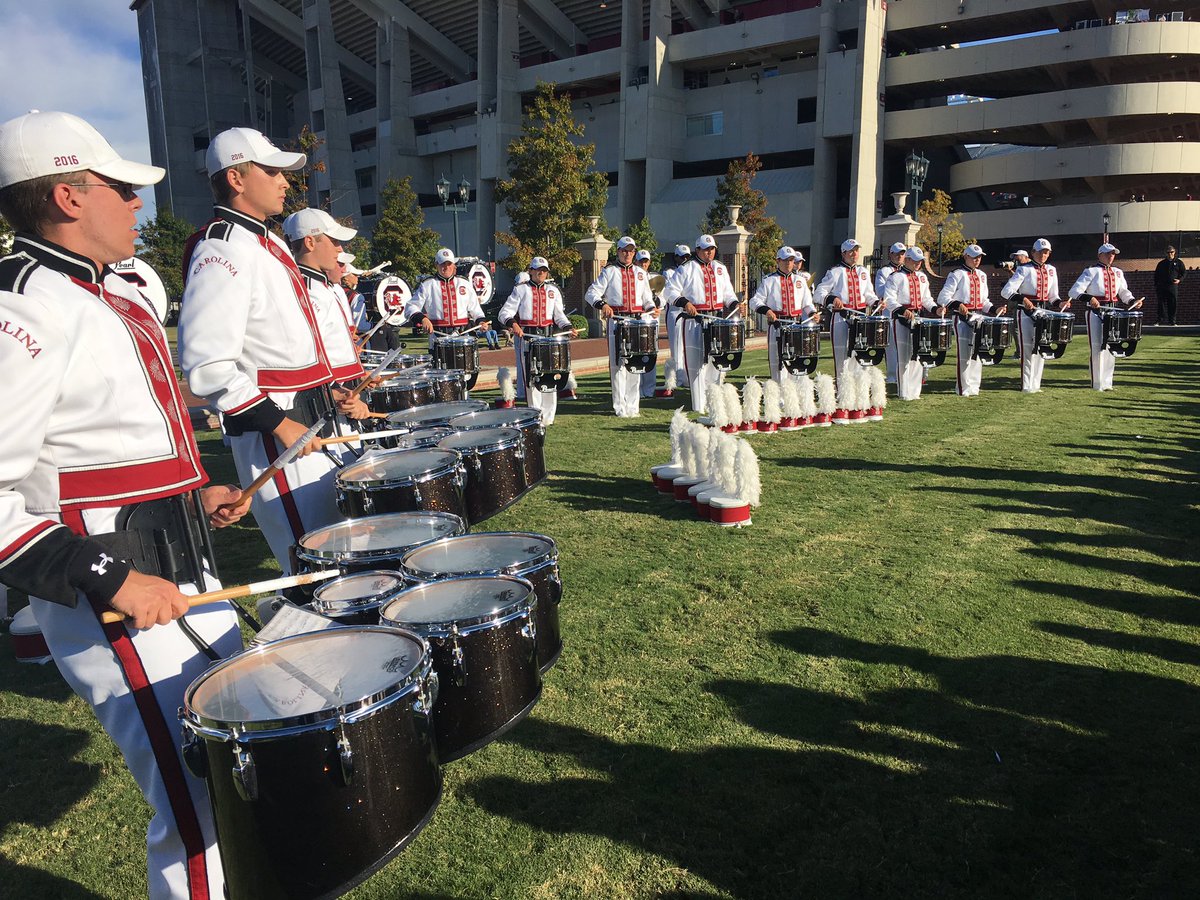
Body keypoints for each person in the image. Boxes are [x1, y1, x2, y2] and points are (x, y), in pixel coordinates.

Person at [0, 110, 247, 899]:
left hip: (177, 567)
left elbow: (107, 442)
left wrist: (195, 489)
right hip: (115, 594)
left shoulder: (102, 292)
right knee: (200, 803)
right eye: (122, 189)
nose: (139, 204)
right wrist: (109, 578)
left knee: (234, 777)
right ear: (69, 196)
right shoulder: (22, 308)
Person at [179, 126, 351, 572]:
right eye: (272, 171)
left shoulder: (268, 242)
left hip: (308, 422)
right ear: (236, 178)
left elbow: (284, 347)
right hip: (275, 436)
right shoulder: (221, 249)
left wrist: (328, 391)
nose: (285, 182)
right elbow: (207, 365)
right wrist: (280, 424)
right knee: (314, 567)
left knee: (342, 553)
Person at [283, 209, 370, 447]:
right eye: (334, 241)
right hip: (322, 409)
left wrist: (356, 382)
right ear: (310, 242)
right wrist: (336, 392)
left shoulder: (322, 287)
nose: (340, 249)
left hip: (341, 401)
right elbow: (303, 356)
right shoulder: (304, 291)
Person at [661, 234, 740, 415]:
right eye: (705, 249)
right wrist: (685, 303)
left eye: (711, 249)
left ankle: (713, 402)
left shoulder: (720, 268)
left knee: (715, 361)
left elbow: (728, 293)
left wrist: (734, 304)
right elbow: (670, 291)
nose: (709, 252)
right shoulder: (687, 268)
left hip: (716, 321)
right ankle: (698, 404)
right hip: (694, 321)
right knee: (696, 364)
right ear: (697, 250)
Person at [585, 235, 657, 416]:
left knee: (636, 364)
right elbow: (591, 293)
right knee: (618, 365)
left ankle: (633, 407)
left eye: (631, 251)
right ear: (618, 251)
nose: (628, 254)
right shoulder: (609, 271)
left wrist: (652, 308)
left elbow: (647, 298)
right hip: (617, 322)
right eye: (624, 251)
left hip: (637, 322)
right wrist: (603, 305)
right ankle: (619, 406)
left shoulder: (641, 273)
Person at [498, 257, 576, 424]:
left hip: (548, 339)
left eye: (544, 270)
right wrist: (513, 324)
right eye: (538, 269)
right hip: (528, 339)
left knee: (550, 376)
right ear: (531, 271)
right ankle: (536, 415)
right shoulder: (521, 290)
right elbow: (504, 313)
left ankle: (549, 417)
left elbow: (559, 315)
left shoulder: (552, 290)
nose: (541, 273)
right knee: (532, 379)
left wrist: (568, 327)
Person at [1068, 242, 1144, 391]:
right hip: (1096, 312)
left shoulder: (1118, 272)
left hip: (1113, 312)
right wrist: (1089, 298)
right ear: (1100, 255)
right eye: (1108, 253)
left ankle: (1107, 383)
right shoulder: (1091, 271)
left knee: (1112, 346)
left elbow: (1123, 291)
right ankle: (1097, 383)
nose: (1111, 256)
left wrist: (1132, 301)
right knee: (1097, 347)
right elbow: (1074, 291)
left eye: (1113, 254)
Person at [999, 237, 1070, 393]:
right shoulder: (1024, 269)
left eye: (1046, 252)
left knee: (1041, 347)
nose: (1043, 255)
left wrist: (1060, 303)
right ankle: (1026, 385)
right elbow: (1006, 291)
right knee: (1028, 348)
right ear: (1033, 252)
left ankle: (1036, 384)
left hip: (1043, 312)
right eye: (1040, 252)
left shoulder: (1051, 270)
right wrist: (1023, 299)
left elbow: (1053, 296)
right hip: (1025, 312)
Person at [938, 244, 1007, 396]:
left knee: (978, 352)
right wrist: (958, 304)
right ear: (966, 257)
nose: (977, 260)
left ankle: (974, 386)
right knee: (965, 354)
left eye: (979, 257)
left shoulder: (982, 275)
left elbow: (984, 301)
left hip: (979, 318)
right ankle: (963, 387)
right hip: (962, 318)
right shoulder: (956, 274)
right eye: (974, 257)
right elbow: (943, 297)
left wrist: (995, 309)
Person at [813, 238, 881, 390]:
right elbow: (818, 293)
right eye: (851, 251)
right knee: (842, 357)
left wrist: (877, 303)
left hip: (861, 318)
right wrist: (832, 299)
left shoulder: (863, 271)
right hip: (841, 317)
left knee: (861, 354)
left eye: (856, 250)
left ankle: (859, 389)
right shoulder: (835, 272)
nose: (854, 254)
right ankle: (843, 391)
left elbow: (869, 295)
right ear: (843, 253)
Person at [882, 246, 944, 400]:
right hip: (901, 319)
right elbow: (889, 299)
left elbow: (926, 299)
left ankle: (915, 391)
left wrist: (936, 309)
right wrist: (903, 310)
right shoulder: (895, 277)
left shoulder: (922, 277)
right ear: (907, 260)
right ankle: (904, 391)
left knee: (917, 354)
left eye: (920, 261)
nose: (918, 264)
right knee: (904, 356)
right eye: (915, 261)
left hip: (918, 319)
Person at [751, 246, 816, 386]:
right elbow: (754, 301)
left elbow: (807, 303)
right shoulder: (769, 280)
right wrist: (767, 311)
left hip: (796, 326)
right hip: (777, 326)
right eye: (785, 260)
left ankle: (793, 393)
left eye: (791, 260)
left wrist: (813, 313)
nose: (788, 263)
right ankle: (778, 393)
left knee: (796, 362)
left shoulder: (800, 281)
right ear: (778, 261)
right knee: (778, 364)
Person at [404, 247, 490, 351]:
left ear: (454, 265)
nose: (446, 267)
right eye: (442, 264)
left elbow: (475, 309)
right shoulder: (428, 285)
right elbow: (410, 307)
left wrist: (481, 322)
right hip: (437, 337)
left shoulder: (464, 284)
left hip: (463, 336)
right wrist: (423, 319)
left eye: (449, 264)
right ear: (436, 265)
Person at [875, 242, 906, 382]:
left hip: (905, 310)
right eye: (897, 254)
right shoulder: (884, 271)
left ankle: (906, 374)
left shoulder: (908, 271)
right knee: (892, 345)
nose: (899, 256)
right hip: (890, 312)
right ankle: (893, 375)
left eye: (902, 254)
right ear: (890, 255)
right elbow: (881, 292)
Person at [662, 243, 691, 386]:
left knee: (690, 345)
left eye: (687, 257)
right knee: (677, 346)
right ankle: (680, 378)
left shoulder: (691, 270)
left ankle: (689, 374)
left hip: (689, 311)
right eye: (682, 257)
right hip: (675, 311)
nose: (684, 259)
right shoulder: (669, 272)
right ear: (676, 258)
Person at [634, 248, 661, 398]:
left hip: (651, 321)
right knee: (636, 354)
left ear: (649, 262)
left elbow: (663, 300)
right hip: (637, 320)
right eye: (641, 261)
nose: (643, 264)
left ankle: (649, 389)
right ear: (636, 261)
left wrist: (656, 301)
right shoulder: (633, 276)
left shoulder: (655, 277)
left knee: (650, 354)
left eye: (645, 261)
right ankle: (637, 389)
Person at [1153, 245, 1184, 326]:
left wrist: (1179, 280)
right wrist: (1156, 285)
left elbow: (1183, 273)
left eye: (1172, 252)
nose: (1170, 254)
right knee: (1161, 304)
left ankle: (1172, 321)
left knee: (1173, 304)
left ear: (1174, 252)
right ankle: (1159, 320)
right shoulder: (1161, 263)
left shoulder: (1179, 262)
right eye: (1168, 252)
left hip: (1172, 287)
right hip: (1162, 286)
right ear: (1166, 253)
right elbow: (1156, 274)